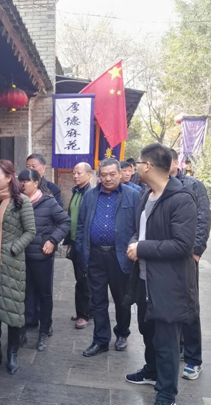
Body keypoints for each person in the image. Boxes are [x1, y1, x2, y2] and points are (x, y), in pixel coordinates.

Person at [125, 143, 198, 406]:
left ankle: (167, 395)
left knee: (167, 341)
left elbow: (182, 245)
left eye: (139, 163)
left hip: (169, 283)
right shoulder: (146, 195)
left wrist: (141, 248)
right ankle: (151, 371)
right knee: (148, 332)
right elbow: (140, 231)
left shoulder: (181, 199)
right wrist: (134, 243)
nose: (136, 168)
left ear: (148, 166)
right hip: (144, 278)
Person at [75, 158, 139, 357]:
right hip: (95, 256)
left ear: (120, 173)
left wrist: (134, 247)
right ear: (99, 176)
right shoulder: (90, 196)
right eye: (104, 175)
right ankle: (101, 340)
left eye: (112, 174)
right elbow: (81, 225)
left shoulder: (133, 195)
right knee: (98, 300)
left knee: (122, 299)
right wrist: (81, 250)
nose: (108, 178)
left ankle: (122, 333)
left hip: (120, 255)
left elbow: (139, 227)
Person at [0, 160, 35, 375]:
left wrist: (12, 249)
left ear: (9, 177)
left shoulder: (21, 201)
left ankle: (12, 352)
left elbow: (30, 231)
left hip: (11, 265)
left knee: (13, 309)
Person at [170, 148, 211, 380]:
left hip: (186, 257)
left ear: (176, 163)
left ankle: (194, 359)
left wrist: (196, 252)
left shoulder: (193, 186)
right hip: (164, 257)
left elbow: (203, 219)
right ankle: (176, 346)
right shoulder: (155, 187)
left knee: (189, 306)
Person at [19, 168, 70, 352]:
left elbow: (65, 222)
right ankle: (24, 328)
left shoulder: (48, 202)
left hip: (41, 255)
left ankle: (44, 330)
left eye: (26, 181)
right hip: (21, 256)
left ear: (36, 183)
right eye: (20, 181)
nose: (22, 185)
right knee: (24, 293)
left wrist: (52, 240)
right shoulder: (18, 202)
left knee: (44, 294)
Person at [25, 153, 63, 328]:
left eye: (33, 166)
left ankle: (45, 323)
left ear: (42, 168)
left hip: (43, 247)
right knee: (28, 286)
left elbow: (60, 219)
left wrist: (51, 240)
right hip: (26, 248)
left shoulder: (52, 190)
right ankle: (30, 319)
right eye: (28, 166)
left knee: (43, 288)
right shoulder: (21, 191)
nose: (30, 169)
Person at [63, 162, 94, 329]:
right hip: (76, 242)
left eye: (79, 173)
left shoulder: (91, 194)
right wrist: (69, 242)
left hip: (86, 244)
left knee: (84, 280)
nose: (75, 176)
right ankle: (85, 310)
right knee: (79, 278)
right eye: (74, 173)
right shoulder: (76, 192)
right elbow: (72, 219)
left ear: (89, 175)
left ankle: (84, 315)